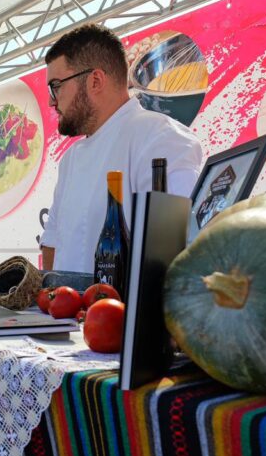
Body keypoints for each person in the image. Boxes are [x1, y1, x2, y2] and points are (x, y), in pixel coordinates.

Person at [40, 24, 203, 272]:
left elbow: (174, 253)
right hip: (66, 299)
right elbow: (52, 241)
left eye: (56, 85)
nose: (51, 100)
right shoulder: (70, 159)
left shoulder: (160, 138)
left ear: (95, 81)